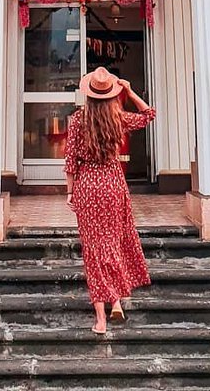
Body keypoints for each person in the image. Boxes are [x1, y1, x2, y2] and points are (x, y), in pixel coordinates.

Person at [64, 66, 156, 334]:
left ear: (88, 95)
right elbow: (149, 114)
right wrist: (128, 90)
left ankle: (101, 318)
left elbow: (70, 161)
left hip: (88, 185)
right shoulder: (118, 118)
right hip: (113, 184)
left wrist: (70, 192)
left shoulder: (77, 121)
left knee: (94, 250)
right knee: (112, 242)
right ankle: (116, 299)